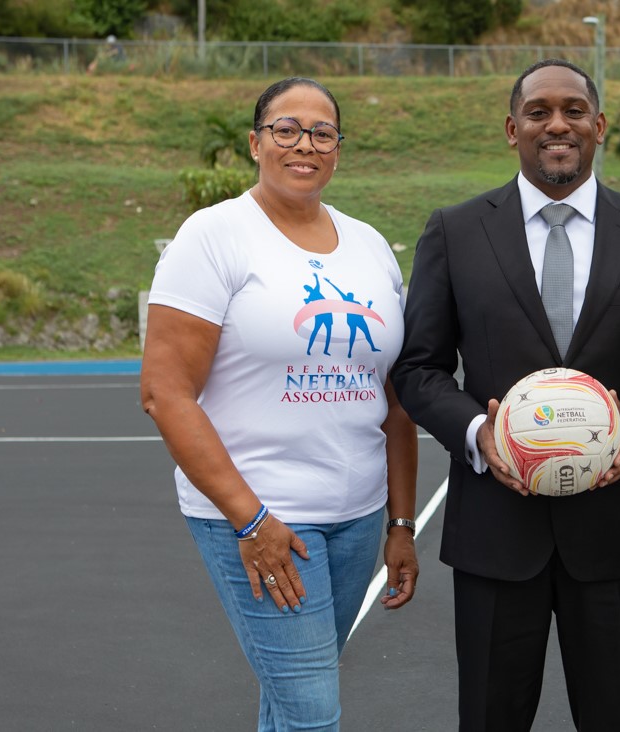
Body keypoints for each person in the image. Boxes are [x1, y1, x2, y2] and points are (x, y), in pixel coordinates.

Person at [392, 59, 620, 731]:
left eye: (573, 110)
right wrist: (480, 435)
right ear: (513, 129)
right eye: (538, 111)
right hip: (494, 532)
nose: (556, 123)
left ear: (599, 127)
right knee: (488, 717)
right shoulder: (455, 231)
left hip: (612, 533)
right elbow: (419, 369)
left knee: (614, 717)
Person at [140, 76, 418, 731]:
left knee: (292, 703)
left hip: (355, 519)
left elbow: (395, 403)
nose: (305, 144)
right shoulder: (214, 237)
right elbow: (164, 392)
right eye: (286, 129)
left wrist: (401, 524)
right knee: (311, 713)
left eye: (323, 132)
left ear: (338, 148)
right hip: (262, 517)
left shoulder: (371, 247)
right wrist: (249, 520)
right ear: (255, 143)